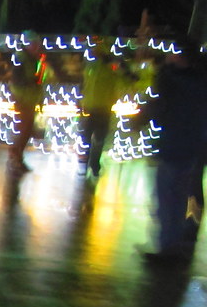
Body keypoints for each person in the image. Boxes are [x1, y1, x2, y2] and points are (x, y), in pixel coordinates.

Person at [140, 34, 207, 264]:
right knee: (178, 198)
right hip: (191, 147)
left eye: (172, 52)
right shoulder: (199, 80)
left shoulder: (173, 80)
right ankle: (174, 244)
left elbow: (160, 108)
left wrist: (164, 72)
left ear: (180, 56)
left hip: (175, 145)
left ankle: (167, 247)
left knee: (167, 197)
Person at [78, 37, 134, 178]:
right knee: (86, 138)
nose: (94, 51)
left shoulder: (111, 67)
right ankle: (87, 164)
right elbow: (84, 84)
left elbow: (128, 78)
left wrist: (121, 68)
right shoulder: (92, 66)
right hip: (90, 108)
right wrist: (80, 101)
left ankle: (93, 164)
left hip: (102, 107)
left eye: (97, 49)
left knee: (98, 138)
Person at [7, 30, 57, 174]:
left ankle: (16, 157)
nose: (37, 46)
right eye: (34, 44)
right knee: (24, 129)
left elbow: (40, 79)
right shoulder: (22, 58)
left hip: (30, 98)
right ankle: (15, 157)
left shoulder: (35, 59)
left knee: (27, 129)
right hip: (23, 98)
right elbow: (18, 79)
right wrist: (32, 82)